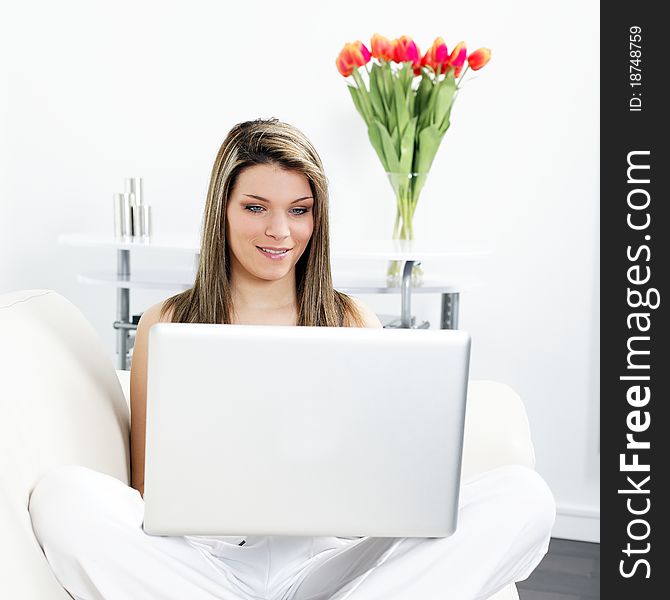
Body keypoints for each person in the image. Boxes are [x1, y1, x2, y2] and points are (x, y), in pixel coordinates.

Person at [28, 118, 556, 600]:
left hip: (327, 564)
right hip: (204, 564)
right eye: (256, 207)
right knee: (62, 496)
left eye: (299, 210)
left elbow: (377, 482)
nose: (280, 232)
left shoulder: (351, 319)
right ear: (223, 210)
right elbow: (145, 492)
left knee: (523, 496)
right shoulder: (168, 322)